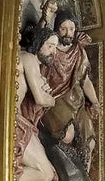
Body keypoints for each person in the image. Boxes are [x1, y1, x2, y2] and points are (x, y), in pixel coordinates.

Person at [40, 11, 101, 172]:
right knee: (68, 135)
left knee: (90, 142)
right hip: (55, 99)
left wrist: (95, 102)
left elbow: (85, 80)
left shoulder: (79, 52)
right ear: (57, 28)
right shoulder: (51, 49)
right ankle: (62, 176)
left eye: (72, 29)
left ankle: (84, 180)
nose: (68, 33)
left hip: (77, 101)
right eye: (63, 28)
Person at [14, 26, 60, 181]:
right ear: (38, 43)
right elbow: (41, 99)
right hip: (16, 122)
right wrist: (52, 100)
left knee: (48, 174)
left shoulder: (26, 61)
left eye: (55, 47)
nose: (53, 52)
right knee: (47, 174)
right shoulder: (29, 57)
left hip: (20, 121)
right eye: (49, 46)